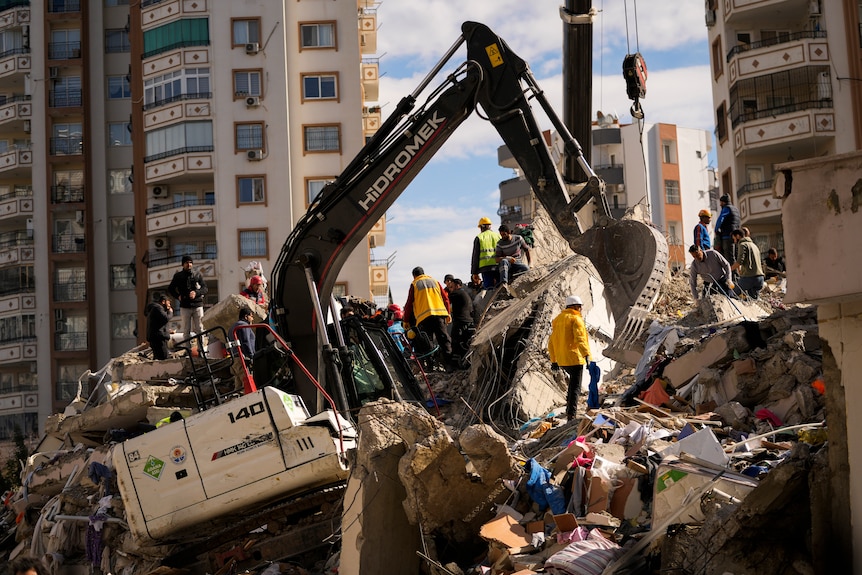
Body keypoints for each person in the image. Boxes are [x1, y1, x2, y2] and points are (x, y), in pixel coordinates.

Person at [548, 295, 591, 420]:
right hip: (574, 358)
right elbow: (580, 339)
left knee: (572, 386)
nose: (581, 309)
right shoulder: (576, 320)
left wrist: (554, 360)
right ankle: (571, 414)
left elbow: (552, 342)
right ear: (575, 306)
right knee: (575, 388)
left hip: (562, 360)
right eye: (580, 306)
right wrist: (586, 355)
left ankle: (569, 410)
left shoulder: (557, 320)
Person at [403, 266, 453, 367]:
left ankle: (431, 366)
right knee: (444, 339)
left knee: (427, 341)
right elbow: (446, 299)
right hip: (440, 315)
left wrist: (406, 321)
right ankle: (450, 364)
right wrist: (447, 313)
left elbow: (409, 304)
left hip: (424, 317)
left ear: (414, 276)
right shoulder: (435, 281)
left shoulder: (414, 284)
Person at [168, 255, 208, 339]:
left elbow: (205, 288)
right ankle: (188, 350)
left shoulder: (197, 275)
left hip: (198, 305)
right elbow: (171, 288)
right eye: (186, 262)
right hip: (185, 306)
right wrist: (178, 296)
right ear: (183, 264)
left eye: (190, 262)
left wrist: (196, 292)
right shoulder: (178, 276)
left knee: (200, 329)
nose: (189, 264)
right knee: (186, 330)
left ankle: (201, 350)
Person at [731, 229, 765, 299]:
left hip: (750, 277)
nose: (734, 242)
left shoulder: (742, 244)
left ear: (737, 236)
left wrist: (729, 269)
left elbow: (739, 261)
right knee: (752, 301)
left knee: (732, 294)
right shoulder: (754, 245)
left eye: (734, 239)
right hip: (760, 278)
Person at [448, 278, 475, 363]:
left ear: (457, 285)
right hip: (469, 322)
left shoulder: (457, 293)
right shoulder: (465, 294)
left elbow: (444, 300)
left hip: (461, 323)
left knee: (455, 342)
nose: (450, 289)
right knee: (464, 343)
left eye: (451, 286)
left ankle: (455, 363)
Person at [471, 217, 501, 290]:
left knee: (489, 289)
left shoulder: (479, 237)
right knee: (499, 286)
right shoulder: (498, 236)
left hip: (485, 267)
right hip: (498, 265)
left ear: (482, 227)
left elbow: (475, 256)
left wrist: (474, 272)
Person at [145, 293, 173, 360]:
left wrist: (167, 331)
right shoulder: (158, 308)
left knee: (158, 358)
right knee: (163, 358)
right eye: (168, 303)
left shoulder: (156, 309)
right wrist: (170, 312)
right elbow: (165, 318)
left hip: (157, 337)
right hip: (159, 339)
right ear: (163, 302)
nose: (169, 306)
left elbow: (158, 324)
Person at [713, 194, 740, 260]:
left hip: (727, 236)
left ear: (723, 202)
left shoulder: (727, 208)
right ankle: (736, 270)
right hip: (736, 237)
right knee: (735, 257)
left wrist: (716, 230)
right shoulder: (736, 209)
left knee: (729, 258)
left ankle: (732, 270)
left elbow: (720, 219)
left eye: (721, 202)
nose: (720, 205)